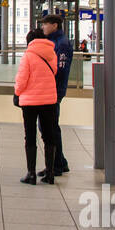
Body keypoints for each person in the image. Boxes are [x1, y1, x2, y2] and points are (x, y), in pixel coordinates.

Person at [14, 28, 60, 184]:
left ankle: (31, 174)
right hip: (49, 100)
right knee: (49, 136)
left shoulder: (28, 56)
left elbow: (21, 79)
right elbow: (54, 71)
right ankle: (50, 173)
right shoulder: (51, 53)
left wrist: (17, 92)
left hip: (30, 102)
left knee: (30, 136)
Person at [38, 13, 73, 176]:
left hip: (53, 91)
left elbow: (60, 70)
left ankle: (56, 166)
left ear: (55, 25)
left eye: (45, 24)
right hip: (50, 89)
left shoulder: (62, 44)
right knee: (49, 127)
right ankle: (59, 162)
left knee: (49, 127)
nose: (43, 27)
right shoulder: (54, 41)